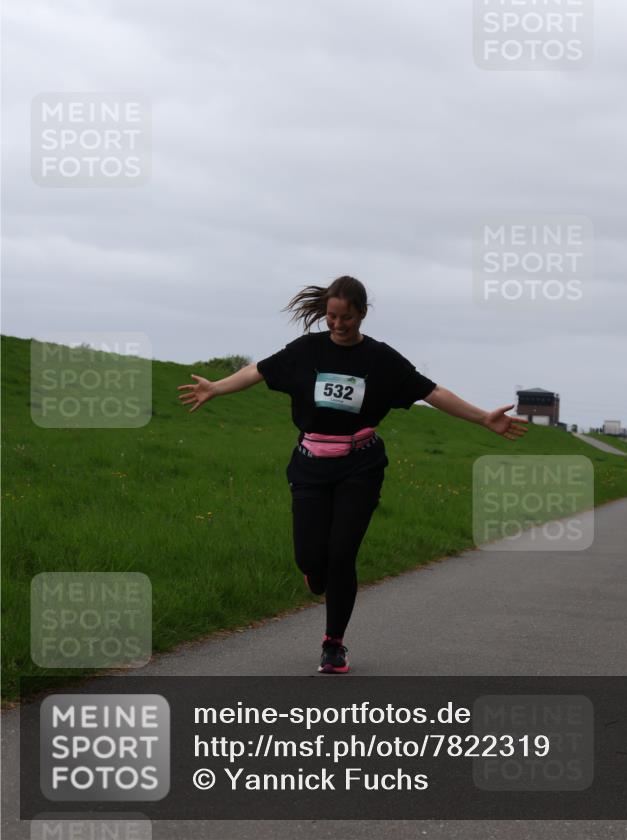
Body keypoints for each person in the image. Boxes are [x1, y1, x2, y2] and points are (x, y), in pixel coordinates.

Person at [178, 275, 528, 674]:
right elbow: (258, 370)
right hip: (310, 464)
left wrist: (484, 418)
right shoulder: (307, 350)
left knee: (342, 555)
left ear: (361, 314)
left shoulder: (380, 359)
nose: (338, 324)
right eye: (331, 316)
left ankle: (333, 643)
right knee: (311, 558)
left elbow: (432, 392)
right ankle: (318, 572)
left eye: (346, 317)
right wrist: (216, 388)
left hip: (359, 466)